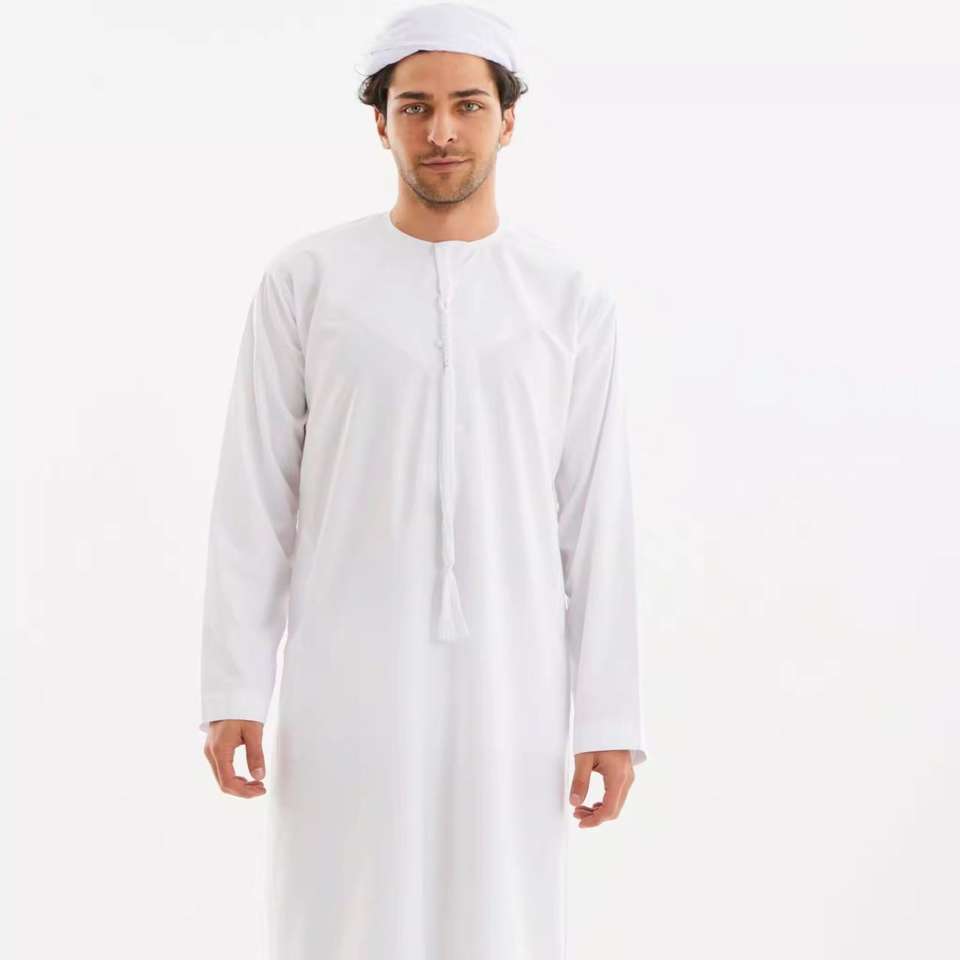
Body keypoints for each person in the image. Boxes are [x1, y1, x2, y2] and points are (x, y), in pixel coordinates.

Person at [198, 3, 649, 957]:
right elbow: (255, 496)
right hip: (345, 676)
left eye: (467, 105)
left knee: (502, 915)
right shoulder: (308, 281)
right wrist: (235, 686)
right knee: (341, 909)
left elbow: (595, 513)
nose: (442, 131)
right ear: (381, 122)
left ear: (508, 119)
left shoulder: (566, 295)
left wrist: (609, 715)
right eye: (415, 107)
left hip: (512, 681)